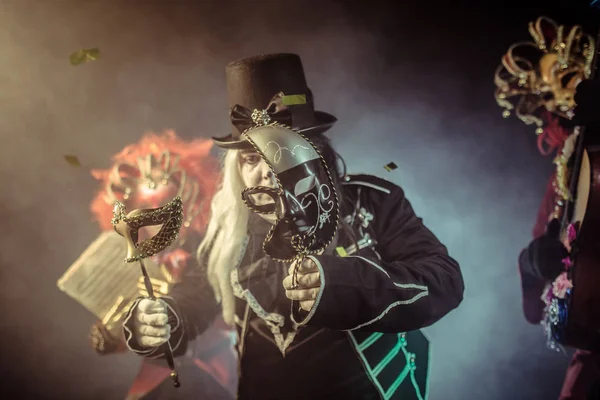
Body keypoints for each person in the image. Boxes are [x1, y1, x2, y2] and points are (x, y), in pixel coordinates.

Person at [122, 53, 464, 400]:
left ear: (316, 152)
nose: (266, 171)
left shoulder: (372, 201)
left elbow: (442, 281)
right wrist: (163, 319)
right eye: (251, 158)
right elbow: (197, 292)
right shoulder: (228, 224)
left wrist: (341, 283)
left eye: (282, 151)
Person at [86, 131, 237, 399]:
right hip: (160, 376)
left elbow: (203, 303)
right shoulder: (136, 260)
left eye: (165, 208)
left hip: (216, 368)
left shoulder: (208, 249)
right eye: (145, 210)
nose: (155, 220)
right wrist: (112, 335)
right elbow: (127, 322)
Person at [494, 16, 600, 400]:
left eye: (575, 74)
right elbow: (535, 309)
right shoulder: (569, 163)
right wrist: (534, 262)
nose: (570, 83)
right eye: (561, 77)